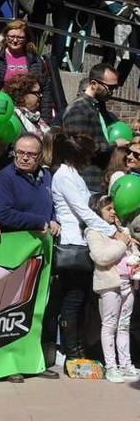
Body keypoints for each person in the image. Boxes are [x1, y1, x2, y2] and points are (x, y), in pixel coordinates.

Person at [0, 132, 61, 380]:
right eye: (20, 152)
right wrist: (39, 221)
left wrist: (53, 221)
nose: (24, 158)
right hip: (14, 253)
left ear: (39, 156)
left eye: (30, 154)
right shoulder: (5, 178)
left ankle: (33, 360)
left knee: (36, 307)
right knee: (11, 310)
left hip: (40, 253)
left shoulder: (46, 177)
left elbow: (52, 208)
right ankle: (8, 365)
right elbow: (3, 213)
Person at [51, 130, 120, 369]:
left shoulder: (74, 175)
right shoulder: (64, 176)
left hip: (81, 241)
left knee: (79, 299)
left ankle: (77, 347)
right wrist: (111, 231)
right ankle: (71, 352)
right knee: (72, 299)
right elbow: (82, 210)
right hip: (72, 244)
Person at [86, 194, 140, 383]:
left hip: (129, 284)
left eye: (114, 208)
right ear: (97, 212)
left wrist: (135, 256)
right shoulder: (94, 232)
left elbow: (131, 252)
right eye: (108, 209)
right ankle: (111, 367)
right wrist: (121, 242)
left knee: (124, 325)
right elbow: (101, 257)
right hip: (110, 285)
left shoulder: (121, 230)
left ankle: (126, 364)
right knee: (109, 326)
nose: (113, 212)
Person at [61, 64, 121, 194]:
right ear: (93, 83)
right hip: (86, 182)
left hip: (102, 182)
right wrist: (115, 144)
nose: (113, 91)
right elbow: (79, 146)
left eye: (115, 87)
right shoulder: (78, 109)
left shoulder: (100, 108)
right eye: (110, 87)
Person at [0, 20, 54, 122]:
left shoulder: (35, 60)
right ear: (5, 37)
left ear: (26, 39)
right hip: (2, 112)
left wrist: (46, 118)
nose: (15, 40)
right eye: (11, 36)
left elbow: (46, 89)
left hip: (30, 115)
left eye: (20, 37)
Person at [3, 73, 49, 138]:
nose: (41, 95)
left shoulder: (35, 117)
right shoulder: (12, 120)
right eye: (37, 93)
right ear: (23, 95)